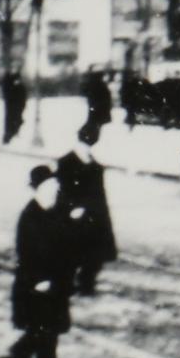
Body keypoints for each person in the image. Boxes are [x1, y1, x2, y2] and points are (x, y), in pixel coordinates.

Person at [1, 165, 81, 358]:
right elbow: (25, 254)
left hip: (57, 281)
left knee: (45, 328)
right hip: (36, 284)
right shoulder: (29, 216)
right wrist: (38, 280)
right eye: (48, 187)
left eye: (55, 186)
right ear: (38, 189)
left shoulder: (58, 210)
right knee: (46, 330)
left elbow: (68, 241)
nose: (54, 190)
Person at [65, 119, 117, 294]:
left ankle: (87, 282)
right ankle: (73, 281)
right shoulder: (67, 163)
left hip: (94, 215)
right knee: (73, 252)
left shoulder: (94, 165)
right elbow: (64, 191)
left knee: (93, 254)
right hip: (76, 215)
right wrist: (72, 209)